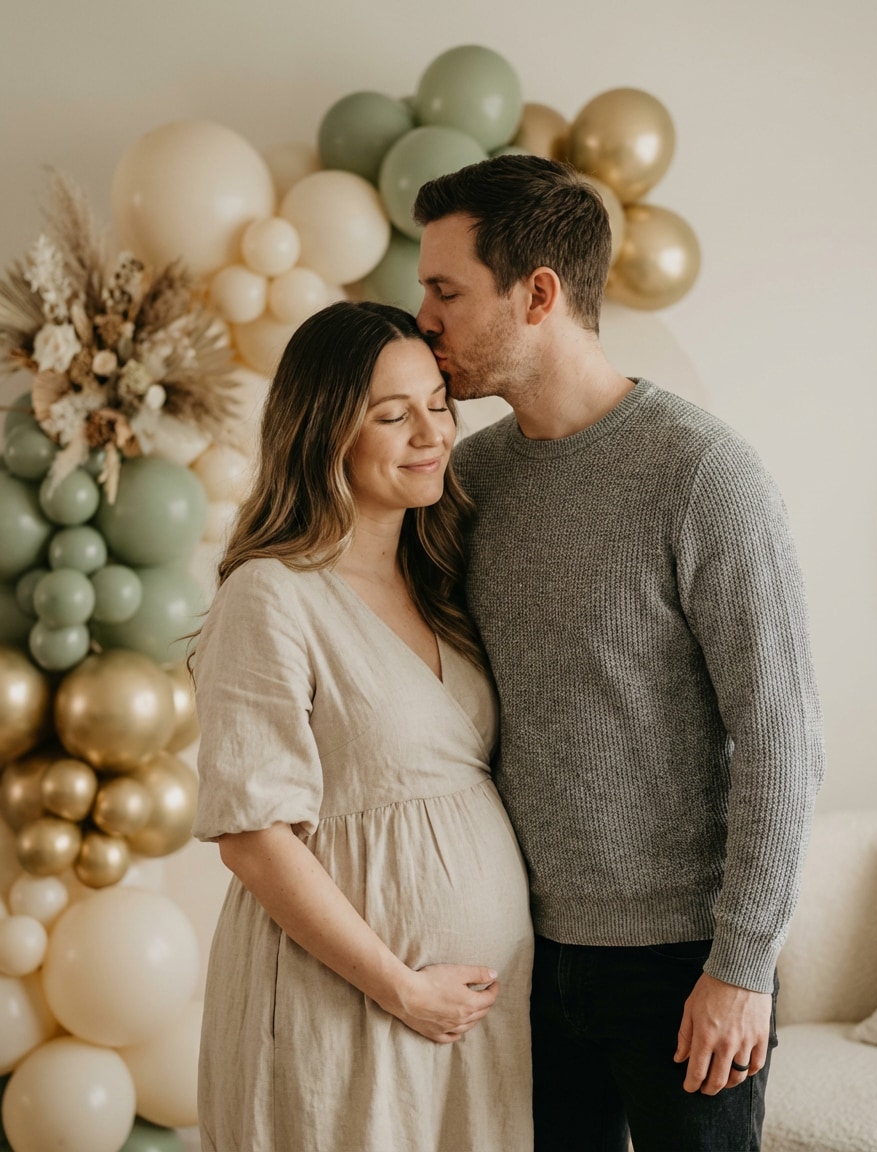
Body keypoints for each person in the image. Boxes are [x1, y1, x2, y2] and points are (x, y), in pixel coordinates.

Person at [413, 154, 826, 1152]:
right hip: (520, 952)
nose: (423, 319)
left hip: (685, 965)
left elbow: (781, 740)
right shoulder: (471, 478)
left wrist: (742, 968)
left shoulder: (704, 475)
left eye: (445, 292)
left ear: (538, 295)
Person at [190, 300, 533, 1152]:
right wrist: (401, 989)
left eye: (438, 404)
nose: (431, 433)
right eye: (392, 415)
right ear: (325, 431)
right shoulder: (272, 595)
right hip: (347, 1001)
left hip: (473, 1019)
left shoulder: (441, 579)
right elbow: (253, 837)